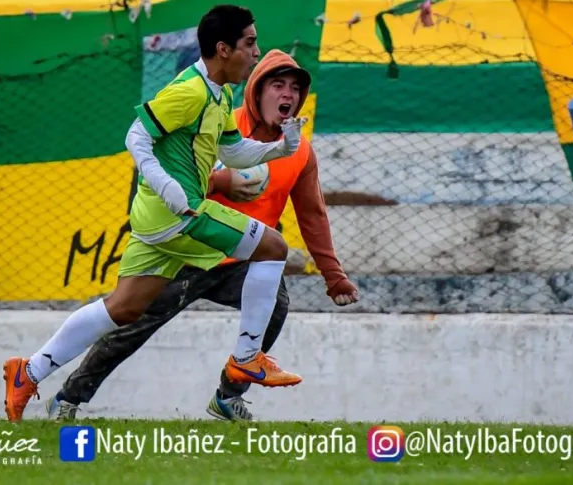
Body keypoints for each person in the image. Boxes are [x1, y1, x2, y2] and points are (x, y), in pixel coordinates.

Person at [2, 5, 307, 422]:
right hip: (178, 215)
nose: (256, 53)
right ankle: (247, 359)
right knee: (273, 247)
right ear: (223, 49)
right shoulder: (189, 91)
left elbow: (232, 151)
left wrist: (279, 149)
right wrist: (167, 185)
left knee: (123, 308)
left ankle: (28, 371)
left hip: (155, 219)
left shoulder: (221, 92)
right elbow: (137, 136)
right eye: (250, 43)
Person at [46, 49, 359, 422]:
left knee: (274, 304)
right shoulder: (216, 124)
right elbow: (169, 180)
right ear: (256, 91)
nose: (287, 94)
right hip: (188, 249)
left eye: (295, 87)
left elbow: (313, 215)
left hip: (240, 261)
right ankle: (67, 399)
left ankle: (229, 395)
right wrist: (220, 180)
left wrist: (333, 274)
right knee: (129, 322)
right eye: (277, 84)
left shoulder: (299, 152)